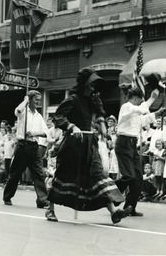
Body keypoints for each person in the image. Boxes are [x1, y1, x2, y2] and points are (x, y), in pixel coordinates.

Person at [46, 68, 130, 224]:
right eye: (91, 83)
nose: (93, 87)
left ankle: (114, 212)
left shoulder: (93, 100)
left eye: (95, 84)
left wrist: (103, 126)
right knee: (62, 176)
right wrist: (72, 126)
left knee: (97, 175)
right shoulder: (73, 99)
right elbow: (58, 116)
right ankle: (50, 209)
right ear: (84, 83)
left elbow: (99, 114)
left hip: (90, 145)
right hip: (73, 144)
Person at [115, 87, 165, 217]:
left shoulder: (135, 113)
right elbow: (141, 109)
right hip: (123, 143)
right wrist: (152, 98)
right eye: (140, 100)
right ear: (135, 98)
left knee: (138, 178)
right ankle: (111, 194)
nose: (141, 103)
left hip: (132, 145)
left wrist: (157, 113)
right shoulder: (126, 107)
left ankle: (130, 207)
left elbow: (143, 120)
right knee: (128, 176)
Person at [3, 90, 49, 209]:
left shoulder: (39, 116)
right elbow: (17, 111)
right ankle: (7, 196)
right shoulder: (24, 112)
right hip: (22, 146)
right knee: (15, 173)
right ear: (30, 100)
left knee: (39, 174)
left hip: (34, 146)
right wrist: (25, 101)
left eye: (39, 100)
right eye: (36, 99)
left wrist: (34, 133)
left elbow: (46, 133)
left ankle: (42, 200)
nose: (38, 102)